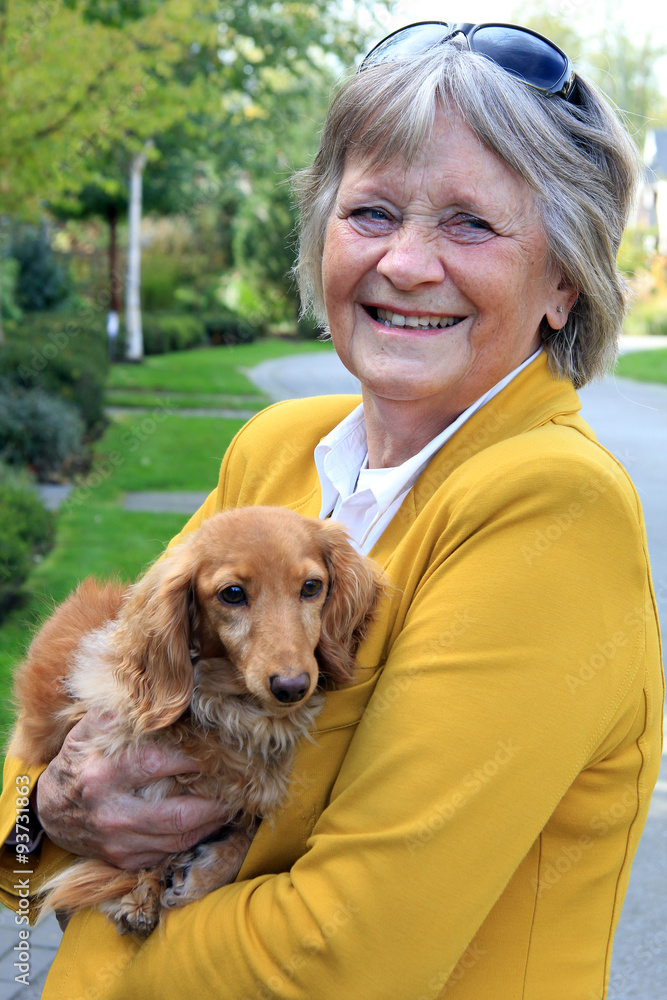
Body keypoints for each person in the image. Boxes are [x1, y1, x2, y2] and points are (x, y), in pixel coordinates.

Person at [0, 21, 663, 1000]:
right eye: (372, 212)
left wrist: (102, 963)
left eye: (469, 224)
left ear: (563, 280)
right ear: (321, 235)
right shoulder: (277, 450)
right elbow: (72, 742)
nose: (403, 262)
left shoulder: (547, 506)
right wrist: (42, 816)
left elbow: (344, 959)